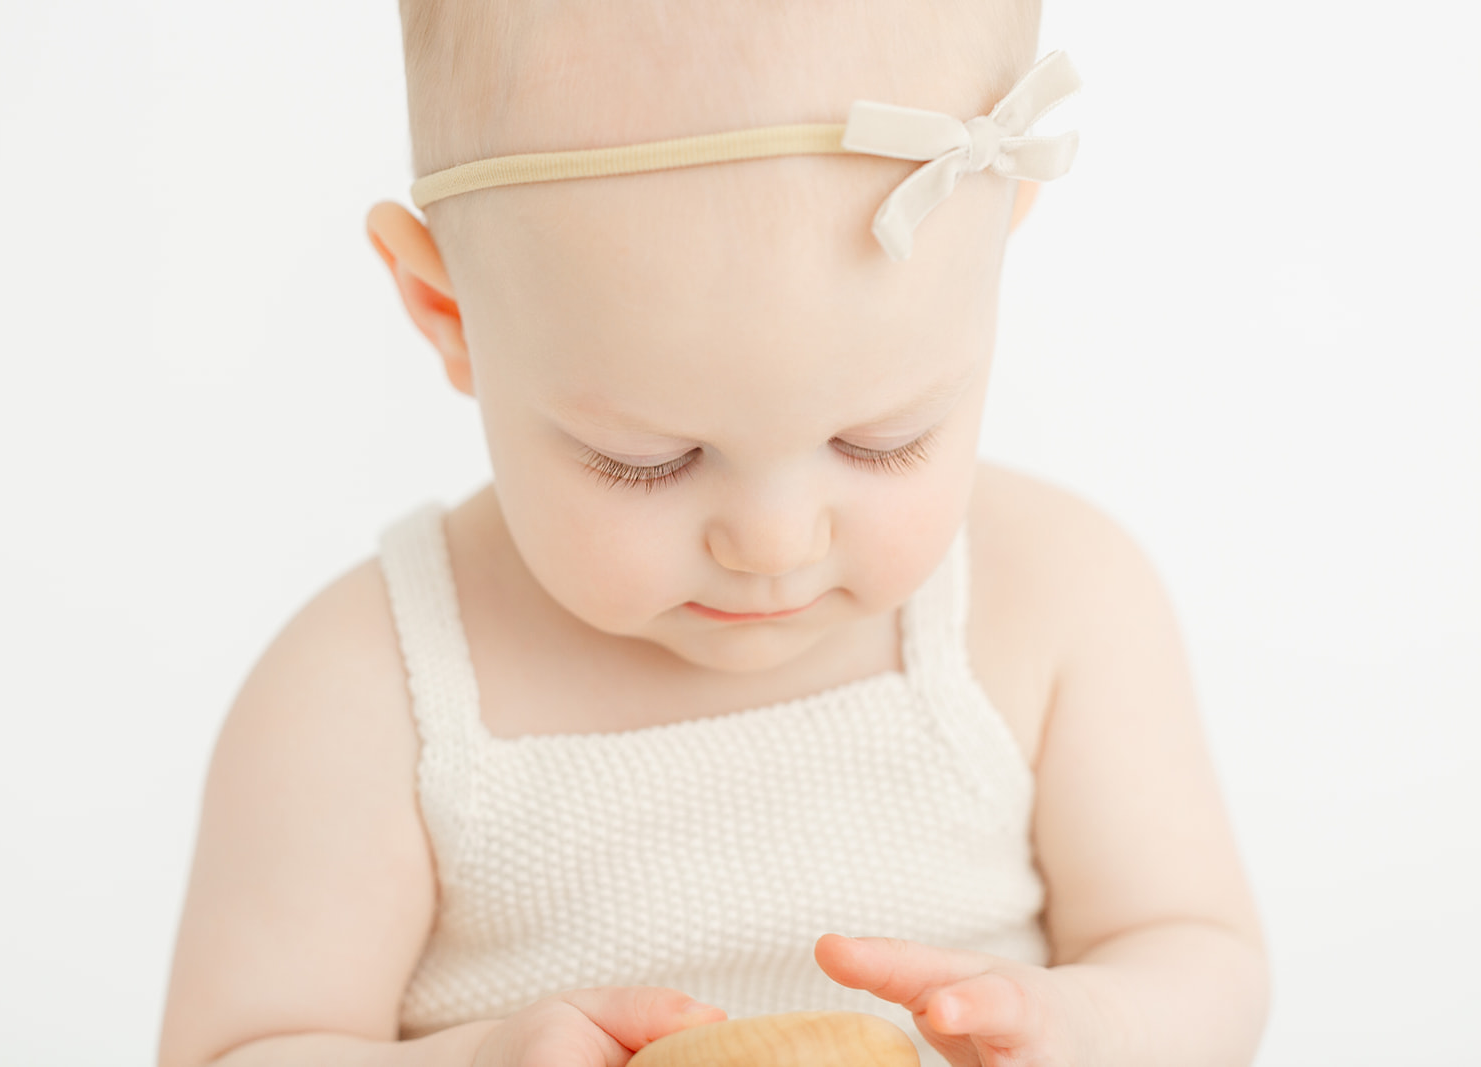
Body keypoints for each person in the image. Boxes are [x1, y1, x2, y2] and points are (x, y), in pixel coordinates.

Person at [156, 1, 1270, 1065]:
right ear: (447, 311)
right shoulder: (369, 695)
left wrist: (1091, 1028)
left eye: (882, 440)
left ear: (994, 249)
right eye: (649, 460)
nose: (773, 542)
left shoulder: (1054, 601)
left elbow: (1198, 959)